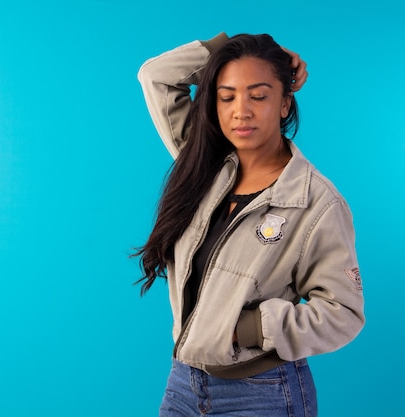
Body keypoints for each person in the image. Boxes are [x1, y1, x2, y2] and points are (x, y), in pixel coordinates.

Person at [135, 32, 365, 417]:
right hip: (183, 383)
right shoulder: (203, 168)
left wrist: (253, 328)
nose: (241, 110)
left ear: (284, 104)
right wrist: (231, 46)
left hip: (262, 393)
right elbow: (155, 75)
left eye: (258, 95)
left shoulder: (316, 202)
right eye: (227, 97)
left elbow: (344, 313)